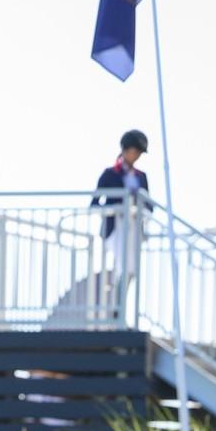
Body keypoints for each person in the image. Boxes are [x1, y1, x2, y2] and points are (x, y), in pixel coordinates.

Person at [91, 129, 153, 313]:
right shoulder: (110, 174)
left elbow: (149, 205)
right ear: (126, 149)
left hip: (134, 228)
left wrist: (138, 212)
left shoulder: (141, 177)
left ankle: (118, 307)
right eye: (135, 151)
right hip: (115, 227)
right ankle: (116, 309)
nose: (137, 156)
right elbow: (95, 204)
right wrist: (116, 209)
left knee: (131, 269)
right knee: (124, 267)